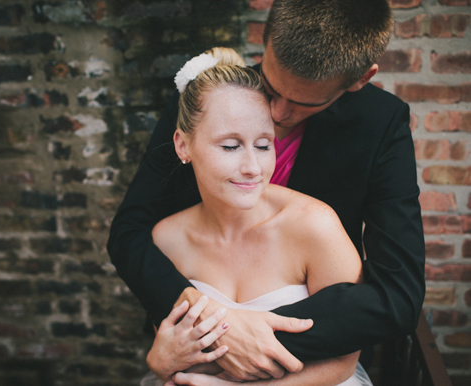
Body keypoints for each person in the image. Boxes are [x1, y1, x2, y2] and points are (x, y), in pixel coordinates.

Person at [107, 0, 425, 380]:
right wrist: (216, 325)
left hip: (310, 360)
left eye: (304, 102)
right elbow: (130, 232)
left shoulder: (380, 123)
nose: (275, 114)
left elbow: (396, 297)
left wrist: (246, 334)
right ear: (266, 38)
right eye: (272, 88)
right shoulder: (205, 99)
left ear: (360, 78)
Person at [140, 47, 373, 386]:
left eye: (263, 145)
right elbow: (171, 352)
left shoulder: (315, 225)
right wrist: (158, 362)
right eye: (231, 146)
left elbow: (343, 362)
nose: (252, 168)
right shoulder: (166, 240)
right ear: (182, 146)